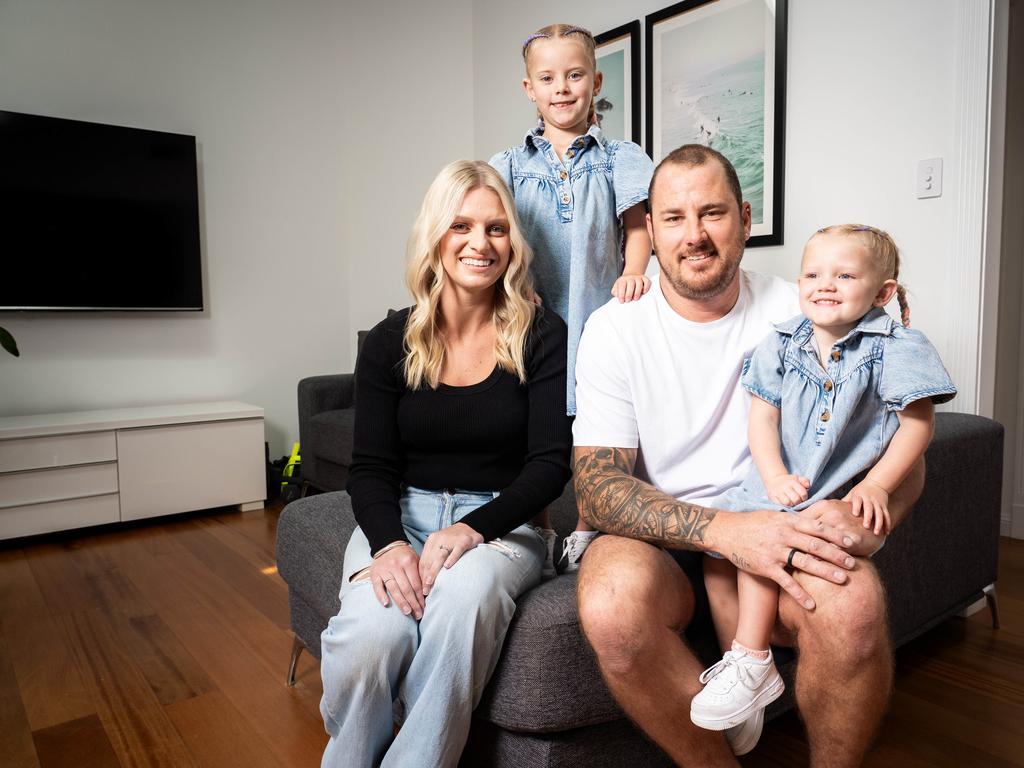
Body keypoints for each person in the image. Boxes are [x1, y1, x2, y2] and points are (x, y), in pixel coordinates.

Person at [571, 144, 927, 766]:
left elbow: (901, 435)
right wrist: (729, 532)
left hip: (785, 523)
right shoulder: (614, 328)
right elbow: (598, 487)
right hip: (664, 538)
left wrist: (870, 516)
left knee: (854, 605)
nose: (695, 235)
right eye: (675, 218)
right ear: (650, 230)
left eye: (712, 213)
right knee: (610, 602)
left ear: (745, 217)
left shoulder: (808, 306)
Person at [318, 160, 573, 768]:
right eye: (462, 225)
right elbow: (371, 468)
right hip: (401, 517)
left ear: (512, 242)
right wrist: (388, 545)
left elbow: (548, 465)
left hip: (502, 530)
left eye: (495, 228)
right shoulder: (390, 341)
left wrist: (471, 528)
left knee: (462, 601)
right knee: (372, 638)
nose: (479, 243)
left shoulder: (540, 333)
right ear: (436, 235)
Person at [689, 224, 956, 734]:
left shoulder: (896, 346)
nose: (825, 284)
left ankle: (751, 656)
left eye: (845, 274)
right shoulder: (782, 342)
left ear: (882, 293)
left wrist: (877, 485)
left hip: (843, 496)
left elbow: (918, 425)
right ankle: (742, 674)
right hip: (786, 484)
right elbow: (762, 418)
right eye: (813, 273)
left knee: (769, 542)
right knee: (721, 557)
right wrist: (773, 475)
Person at [489, 23, 654, 572]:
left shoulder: (621, 158)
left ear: (596, 81)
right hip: (532, 315)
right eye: (548, 78)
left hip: (595, 313)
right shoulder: (510, 165)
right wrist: (516, 286)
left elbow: (638, 226)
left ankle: (586, 524)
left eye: (575, 75)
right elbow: (495, 232)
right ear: (529, 89)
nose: (562, 88)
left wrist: (632, 274)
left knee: (594, 423)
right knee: (531, 422)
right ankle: (537, 524)